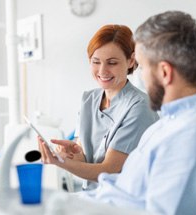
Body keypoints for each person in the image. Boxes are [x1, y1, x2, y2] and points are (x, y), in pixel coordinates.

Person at [48, 11, 196, 215]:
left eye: (141, 67)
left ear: (164, 73)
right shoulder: (169, 123)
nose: (139, 76)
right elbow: (122, 188)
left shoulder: (192, 133)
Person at [38, 24, 159, 191]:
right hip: (93, 196)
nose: (102, 71)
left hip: (124, 202)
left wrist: (62, 163)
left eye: (112, 63)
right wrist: (72, 153)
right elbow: (85, 159)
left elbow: (108, 171)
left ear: (131, 60)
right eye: (96, 62)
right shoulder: (89, 99)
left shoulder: (139, 106)